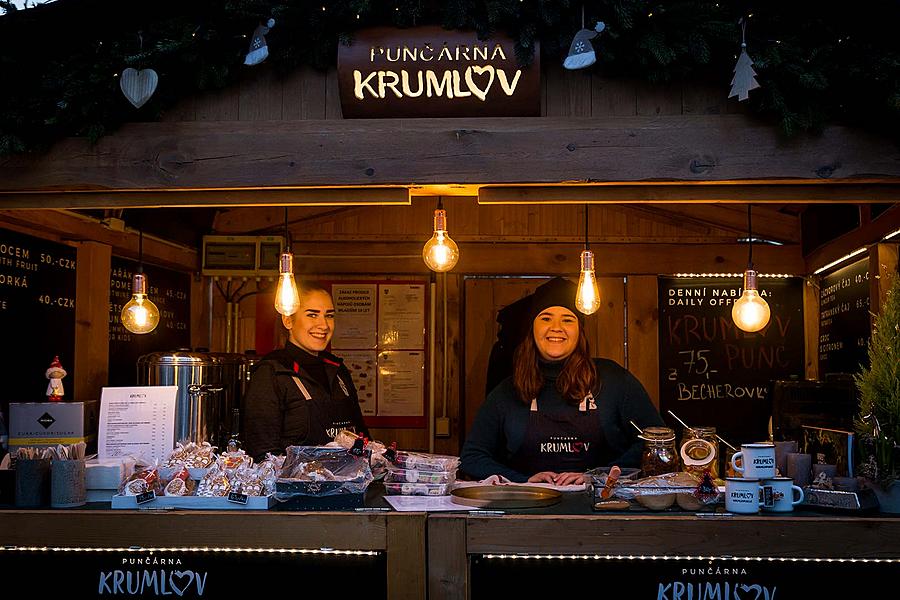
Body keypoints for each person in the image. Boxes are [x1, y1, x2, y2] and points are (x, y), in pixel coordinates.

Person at [460, 277, 664, 485]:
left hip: (604, 505)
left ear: (579, 331)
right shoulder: (507, 390)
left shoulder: (614, 381)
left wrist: (599, 477)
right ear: (532, 329)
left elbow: (657, 443)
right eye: (546, 318)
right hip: (527, 509)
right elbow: (472, 457)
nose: (556, 327)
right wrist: (523, 481)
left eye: (567, 319)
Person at [244, 280, 369, 460]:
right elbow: (263, 452)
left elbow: (362, 436)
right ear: (288, 320)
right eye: (312, 315)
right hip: (296, 487)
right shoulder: (271, 373)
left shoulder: (338, 370)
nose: (324, 325)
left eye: (329, 315)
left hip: (347, 484)